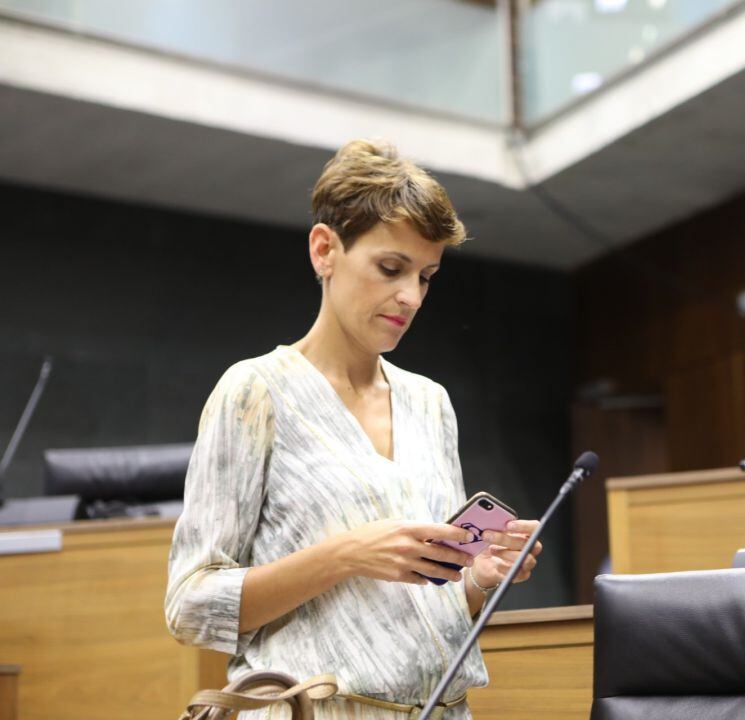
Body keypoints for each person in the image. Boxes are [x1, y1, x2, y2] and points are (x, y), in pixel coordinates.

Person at [165, 139, 542, 719]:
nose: (410, 296)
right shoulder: (255, 391)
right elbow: (190, 606)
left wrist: (476, 583)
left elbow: (413, 609)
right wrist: (346, 554)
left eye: (427, 276)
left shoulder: (430, 403)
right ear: (325, 250)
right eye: (391, 268)